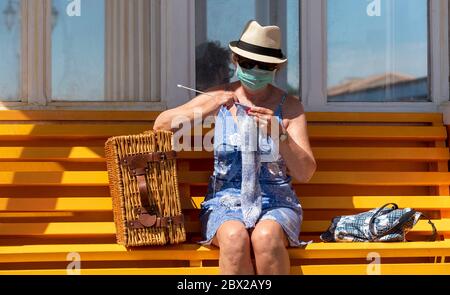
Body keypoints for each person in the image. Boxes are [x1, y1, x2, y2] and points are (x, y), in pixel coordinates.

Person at [153, 20, 316, 275]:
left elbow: (305, 172)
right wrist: (206, 106)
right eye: (247, 63)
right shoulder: (219, 96)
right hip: (223, 201)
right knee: (233, 238)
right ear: (235, 61)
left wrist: (279, 134)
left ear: (275, 68)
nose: (254, 70)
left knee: (265, 238)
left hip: (276, 202)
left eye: (263, 66)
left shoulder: (290, 107)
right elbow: (161, 126)